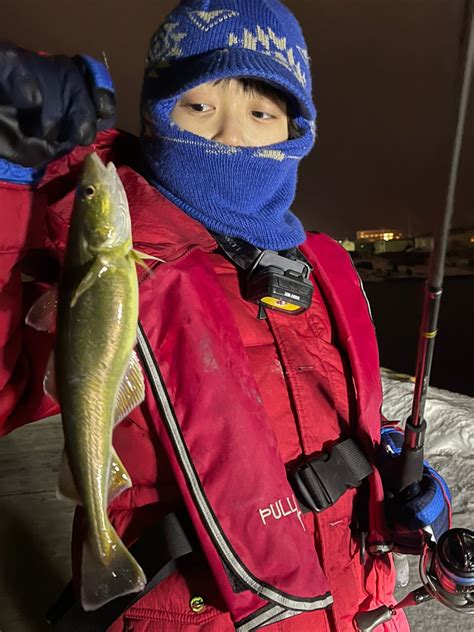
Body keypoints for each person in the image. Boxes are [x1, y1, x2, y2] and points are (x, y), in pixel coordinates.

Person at [0, 1, 452, 630]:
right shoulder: (92, 248)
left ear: (296, 132)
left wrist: (392, 477)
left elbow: (344, 418)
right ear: (157, 116)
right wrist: (12, 189)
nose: (230, 136)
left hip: (356, 610)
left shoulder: (322, 271)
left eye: (261, 113)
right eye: (200, 106)